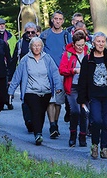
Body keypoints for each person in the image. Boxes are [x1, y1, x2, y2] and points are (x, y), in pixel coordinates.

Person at [77, 32, 107, 159]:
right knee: (96, 121)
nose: (100, 44)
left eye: (102, 41)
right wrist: (82, 99)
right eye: (98, 41)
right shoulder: (88, 59)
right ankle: (94, 145)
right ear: (93, 43)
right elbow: (82, 80)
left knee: (106, 122)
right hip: (94, 95)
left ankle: (104, 148)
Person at [8, 37, 62, 146]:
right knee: (36, 111)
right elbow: (17, 76)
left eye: (39, 46)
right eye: (34, 45)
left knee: (41, 112)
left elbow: (55, 73)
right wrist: (11, 91)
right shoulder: (25, 60)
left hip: (46, 91)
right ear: (30, 47)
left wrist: (58, 86)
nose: (36, 48)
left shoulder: (47, 58)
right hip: (30, 91)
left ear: (42, 47)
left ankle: (39, 132)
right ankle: (38, 134)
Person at [40, 10, 72, 139]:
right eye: (56, 19)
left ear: (63, 21)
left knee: (58, 101)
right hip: (48, 72)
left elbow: (71, 52)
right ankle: (52, 124)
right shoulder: (45, 35)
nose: (58, 21)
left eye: (60, 19)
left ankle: (56, 123)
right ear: (52, 20)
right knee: (50, 100)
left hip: (62, 72)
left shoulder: (66, 36)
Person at [59, 31, 90, 147]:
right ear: (73, 44)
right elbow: (62, 70)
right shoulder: (68, 54)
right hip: (72, 86)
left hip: (85, 88)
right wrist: (74, 70)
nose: (80, 48)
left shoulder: (89, 52)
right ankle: (72, 135)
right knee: (75, 111)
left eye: (82, 45)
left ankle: (82, 136)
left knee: (84, 112)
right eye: (78, 45)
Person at [0, 17, 17, 110]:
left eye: (3, 24)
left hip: (9, 62)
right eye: (0, 24)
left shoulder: (11, 36)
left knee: (9, 83)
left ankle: (9, 100)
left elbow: (15, 49)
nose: (2, 26)